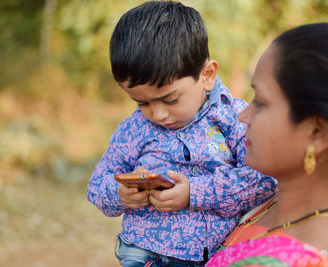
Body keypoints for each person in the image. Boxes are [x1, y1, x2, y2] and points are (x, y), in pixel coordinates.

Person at [87, 1, 277, 266]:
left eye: (170, 100)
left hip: (213, 255)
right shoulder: (134, 130)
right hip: (143, 255)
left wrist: (195, 193)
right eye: (141, 103)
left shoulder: (234, 118)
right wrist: (120, 194)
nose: (158, 114)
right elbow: (97, 187)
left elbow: (265, 179)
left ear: (207, 75)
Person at [206, 22, 328, 267]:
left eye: (261, 102)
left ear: (317, 132)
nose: (243, 116)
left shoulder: (295, 261)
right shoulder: (279, 200)